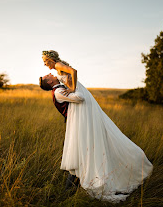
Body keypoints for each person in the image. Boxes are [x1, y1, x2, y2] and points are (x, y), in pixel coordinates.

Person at [40, 50, 153, 203]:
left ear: (50, 59)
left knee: (89, 136)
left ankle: (79, 182)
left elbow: (73, 72)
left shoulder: (59, 66)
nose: (45, 65)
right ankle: (80, 180)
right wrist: (72, 89)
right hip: (80, 95)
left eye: (45, 62)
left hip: (79, 94)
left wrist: (72, 89)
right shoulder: (58, 81)